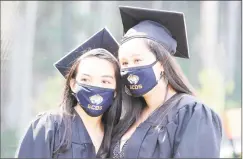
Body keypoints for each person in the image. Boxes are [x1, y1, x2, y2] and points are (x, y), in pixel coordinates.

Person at [110, 6, 222, 158]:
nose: (131, 68)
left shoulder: (191, 113)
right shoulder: (129, 115)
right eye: (124, 63)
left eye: (137, 60)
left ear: (162, 63)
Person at [15, 27, 122, 158]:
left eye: (105, 81)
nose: (95, 86)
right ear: (73, 84)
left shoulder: (117, 139)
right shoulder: (49, 127)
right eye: (86, 79)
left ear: (116, 90)